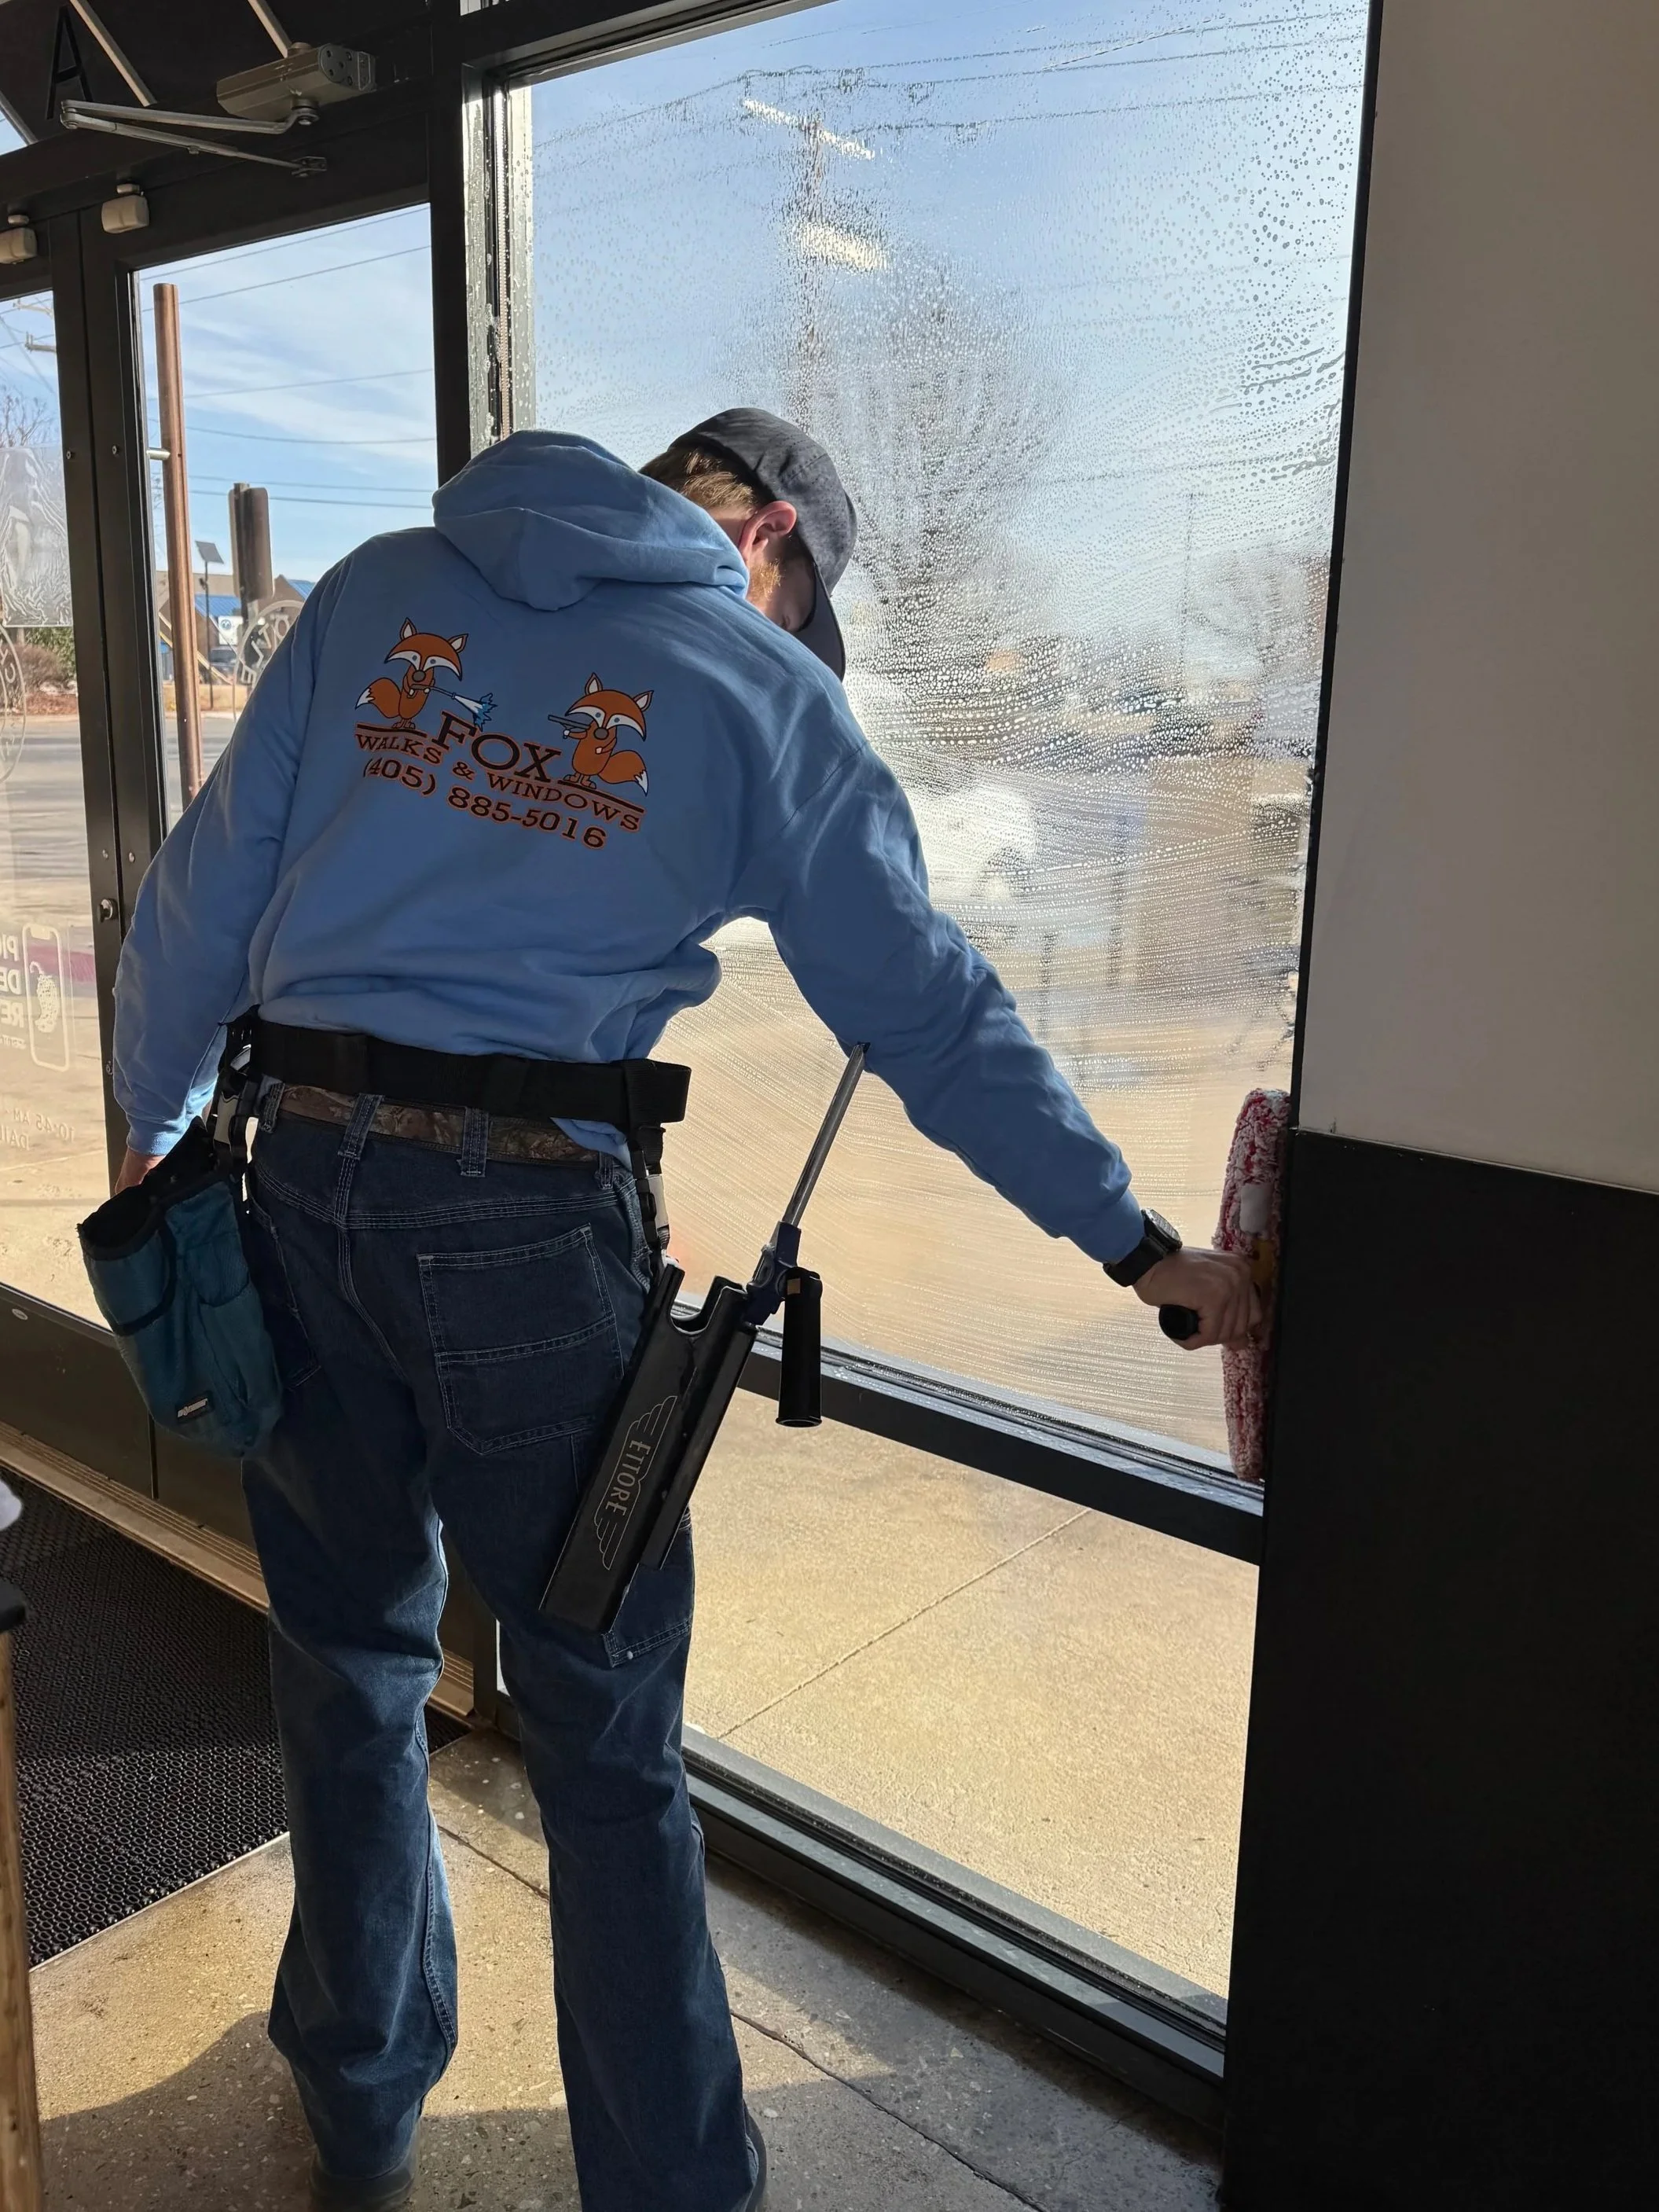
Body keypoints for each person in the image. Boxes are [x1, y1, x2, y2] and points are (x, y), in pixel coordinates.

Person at [110, 408, 1258, 2212]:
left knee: (345, 1663)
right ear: (775, 547)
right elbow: (930, 1015)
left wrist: (158, 1149)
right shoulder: (755, 690)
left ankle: (356, 2109)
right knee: (602, 1731)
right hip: (519, 1223)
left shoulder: (382, 590)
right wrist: (1131, 1245)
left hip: (294, 1179)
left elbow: (200, 900)